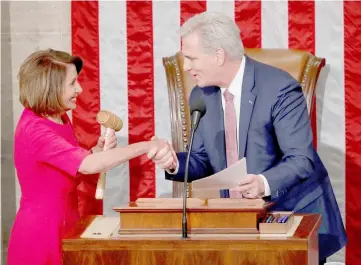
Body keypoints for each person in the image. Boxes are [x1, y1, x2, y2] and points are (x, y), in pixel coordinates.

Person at [149, 12, 347, 264]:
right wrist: (173, 163)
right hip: (233, 225)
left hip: (289, 215)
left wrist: (263, 183)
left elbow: (301, 159)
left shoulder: (279, 88)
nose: (186, 66)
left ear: (218, 56)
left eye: (191, 58)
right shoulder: (202, 96)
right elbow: (201, 160)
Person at [7, 49, 168, 265]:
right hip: (41, 235)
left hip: (67, 223)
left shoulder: (60, 117)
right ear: (51, 86)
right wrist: (146, 145)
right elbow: (87, 166)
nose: (79, 89)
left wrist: (97, 151)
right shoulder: (35, 129)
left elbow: (69, 167)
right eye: (72, 83)